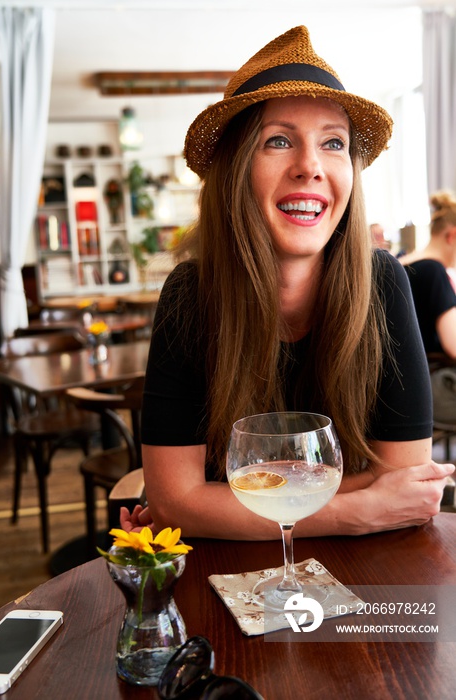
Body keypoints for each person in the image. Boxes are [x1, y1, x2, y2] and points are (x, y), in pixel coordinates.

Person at [122, 26, 453, 539]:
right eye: (278, 140)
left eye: (333, 143)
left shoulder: (384, 282)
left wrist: (219, 501)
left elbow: (404, 483)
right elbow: (175, 505)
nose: (310, 166)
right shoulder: (191, 295)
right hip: (230, 577)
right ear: (234, 170)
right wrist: (357, 506)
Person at [399, 190, 456, 422]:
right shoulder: (433, 271)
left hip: (397, 389)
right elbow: (454, 345)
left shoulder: (399, 264)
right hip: (424, 391)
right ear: (452, 236)